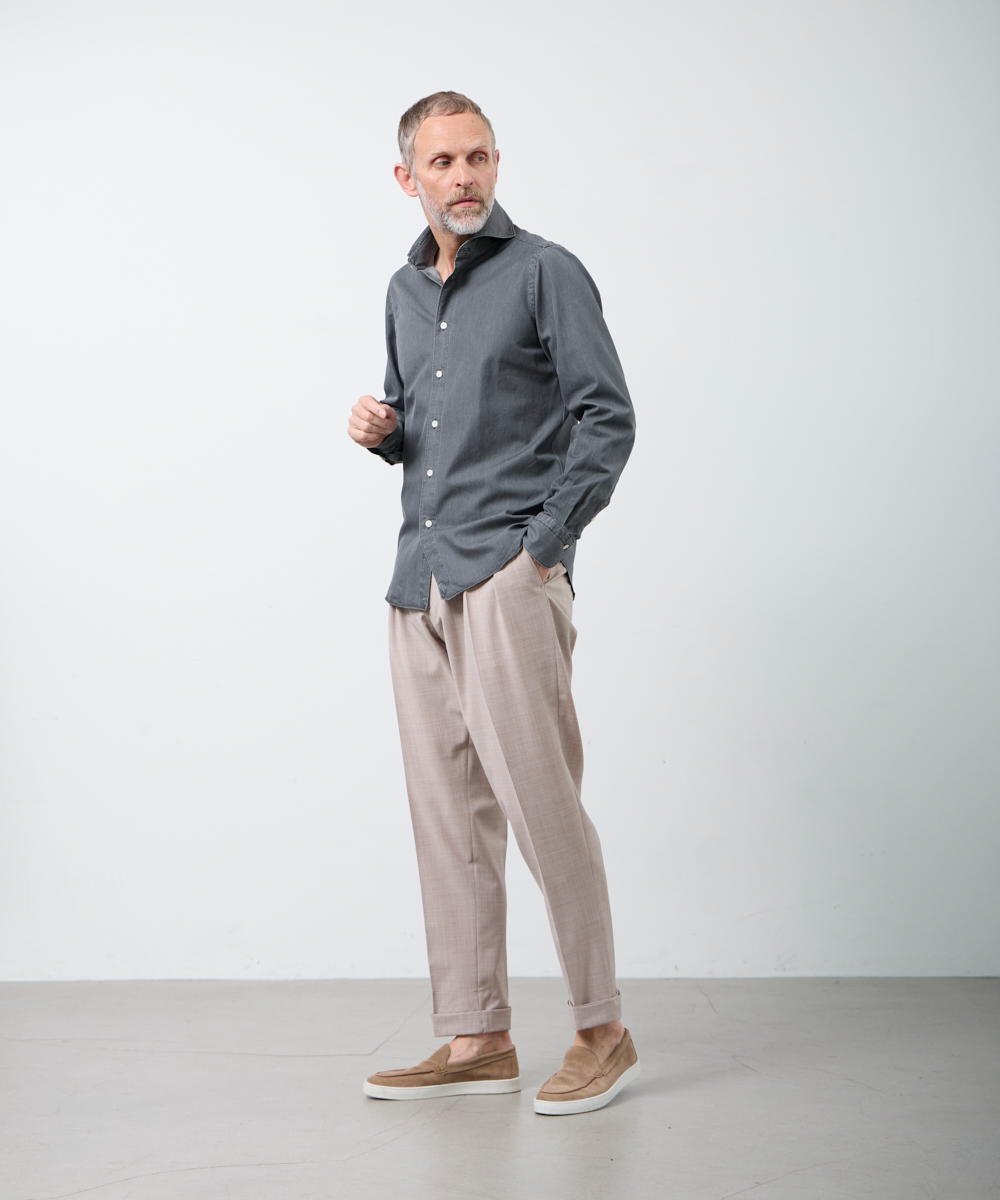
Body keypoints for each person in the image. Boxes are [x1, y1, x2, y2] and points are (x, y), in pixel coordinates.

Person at [347, 91, 637, 1116]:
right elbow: (429, 433)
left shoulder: (545, 271)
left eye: (477, 157)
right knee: (450, 820)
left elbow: (606, 419)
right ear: (407, 178)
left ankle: (602, 1030)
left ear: (497, 163)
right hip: (419, 579)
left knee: (542, 806)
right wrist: (383, 430)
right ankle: (477, 1036)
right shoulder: (401, 290)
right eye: (442, 162)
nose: (462, 177)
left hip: (507, 577)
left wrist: (541, 551)